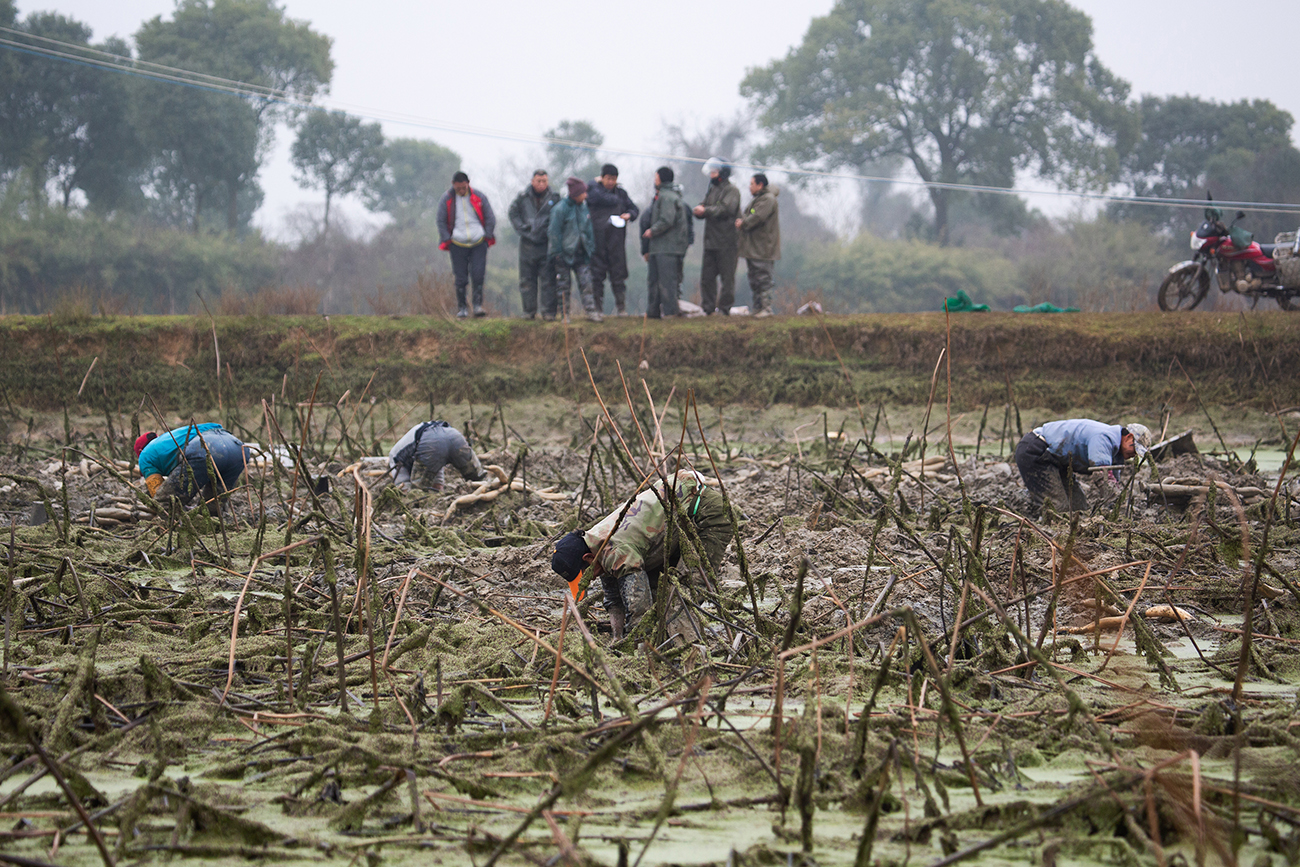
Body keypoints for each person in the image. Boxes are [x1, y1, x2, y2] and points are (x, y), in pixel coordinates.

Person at [550, 470, 734, 641]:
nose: (592, 579)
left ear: (588, 559)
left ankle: (687, 652)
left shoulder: (615, 550)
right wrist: (617, 638)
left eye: (586, 575)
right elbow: (615, 598)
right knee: (656, 592)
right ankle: (666, 642)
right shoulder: (597, 546)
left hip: (705, 515)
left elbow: (639, 610)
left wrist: (636, 644)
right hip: (673, 530)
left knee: (681, 597)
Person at [1014, 420, 1152, 514]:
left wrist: (1119, 502)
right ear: (1128, 437)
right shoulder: (1104, 438)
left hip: (1057, 460)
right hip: (1036, 450)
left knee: (1078, 507)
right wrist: (1119, 508)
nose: (1134, 455)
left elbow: (1114, 481)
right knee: (1058, 508)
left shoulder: (1116, 452)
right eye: (1135, 450)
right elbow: (1102, 476)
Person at [135, 423, 251, 506]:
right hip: (237, 448)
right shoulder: (169, 439)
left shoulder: (144, 455)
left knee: (165, 503)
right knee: (213, 505)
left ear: (139, 452)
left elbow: (158, 494)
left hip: (205, 447)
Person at [436, 172, 496, 319]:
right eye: (458, 188)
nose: (461, 191)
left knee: (478, 274)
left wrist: (487, 235)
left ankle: (477, 306)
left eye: (463, 187)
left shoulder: (479, 197)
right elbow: (441, 220)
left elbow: (490, 217)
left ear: (468, 183)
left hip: (478, 242)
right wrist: (447, 239)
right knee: (460, 278)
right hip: (457, 243)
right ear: (453, 185)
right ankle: (462, 308)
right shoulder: (447, 199)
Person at [585, 164, 639, 316]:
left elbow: (634, 209)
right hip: (597, 241)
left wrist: (629, 215)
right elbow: (596, 196)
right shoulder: (594, 191)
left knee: (618, 276)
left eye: (614, 179)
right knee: (597, 276)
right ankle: (598, 308)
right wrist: (613, 199)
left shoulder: (622, 194)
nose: (610, 182)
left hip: (617, 242)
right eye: (608, 178)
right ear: (602, 178)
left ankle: (621, 308)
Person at [507, 170, 561, 320]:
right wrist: (522, 229)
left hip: (546, 244)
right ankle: (529, 312)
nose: (541, 184)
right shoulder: (522, 197)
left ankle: (549, 313)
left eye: (544, 181)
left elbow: (559, 217)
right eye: (539, 181)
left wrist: (551, 232)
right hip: (527, 244)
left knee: (548, 280)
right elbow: (513, 213)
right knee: (526, 280)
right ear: (532, 181)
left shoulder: (555, 198)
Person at [548, 177, 601, 322]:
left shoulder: (584, 207)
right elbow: (554, 232)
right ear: (576, 194)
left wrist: (590, 248)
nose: (586, 195)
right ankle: (565, 315)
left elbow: (588, 229)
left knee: (587, 284)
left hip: (582, 253)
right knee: (563, 287)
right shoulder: (560, 209)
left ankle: (591, 312)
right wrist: (557, 253)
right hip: (564, 254)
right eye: (583, 193)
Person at [692, 157, 740, 315]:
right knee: (707, 278)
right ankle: (708, 308)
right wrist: (699, 210)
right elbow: (706, 205)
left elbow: (726, 209)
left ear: (722, 172)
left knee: (727, 279)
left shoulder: (732, 190)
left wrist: (706, 211)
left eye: (715, 171)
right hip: (710, 241)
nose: (711, 174)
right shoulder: (712, 189)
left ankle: (724, 309)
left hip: (727, 241)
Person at [641, 167, 690, 318]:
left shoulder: (668, 197)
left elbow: (667, 220)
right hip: (659, 247)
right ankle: (653, 313)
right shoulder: (662, 195)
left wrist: (652, 231)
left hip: (668, 248)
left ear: (661, 178)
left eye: (656, 177)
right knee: (654, 282)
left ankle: (671, 313)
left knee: (667, 282)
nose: (654, 180)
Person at [388, 420, 487, 491]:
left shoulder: (394, 457)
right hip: (455, 436)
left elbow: (403, 485)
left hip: (430, 443)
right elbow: (438, 461)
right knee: (479, 479)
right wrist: (438, 486)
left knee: (418, 491)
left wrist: (407, 490)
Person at [735, 173, 780, 317]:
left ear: (760, 185)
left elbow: (758, 217)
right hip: (754, 247)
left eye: (752, 184)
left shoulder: (768, 199)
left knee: (763, 279)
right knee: (754, 279)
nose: (749, 187)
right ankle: (757, 308)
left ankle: (766, 308)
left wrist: (744, 223)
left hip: (763, 248)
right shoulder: (758, 199)